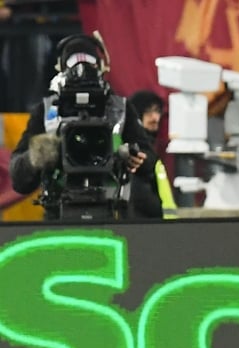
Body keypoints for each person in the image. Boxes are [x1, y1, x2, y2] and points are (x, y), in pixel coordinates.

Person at [9, 33, 155, 220]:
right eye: (74, 62)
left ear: (101, 67)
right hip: (59, 213)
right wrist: (34, 157)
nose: (82, 68)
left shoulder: (120, 109)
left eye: (89, 62)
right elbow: (18, 181)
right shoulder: (46, 111)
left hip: (112, 211)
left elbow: (149, 159)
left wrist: (135, 157)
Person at [128, 89, 178, 219]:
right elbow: (140, 196)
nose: (155, 117)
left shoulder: (157, 149)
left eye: (157, 111)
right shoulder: (133, 153)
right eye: (148, 112)